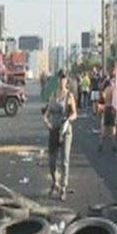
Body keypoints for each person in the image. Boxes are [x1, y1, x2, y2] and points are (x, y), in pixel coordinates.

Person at [43, 70, 77, 201]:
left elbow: (74, 113)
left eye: (64, 78)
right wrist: (46, 121)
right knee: (52, 161)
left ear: (66, 80)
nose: (62, 81)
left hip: (65, 131)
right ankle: (55, 182)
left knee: (64, 161)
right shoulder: (53, 95)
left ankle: (63, 188)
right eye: (60, 78)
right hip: (54, 130)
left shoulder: (69, 96)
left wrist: (68, 120)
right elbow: (47, 112)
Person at [99, 63, 117, 153]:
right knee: (113, 128)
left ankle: (100, 145)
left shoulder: (106, 90)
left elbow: (102, 96)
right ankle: (113, 146)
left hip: (107, 108)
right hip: (112, 109)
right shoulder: (114, 89)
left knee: (104, 128)